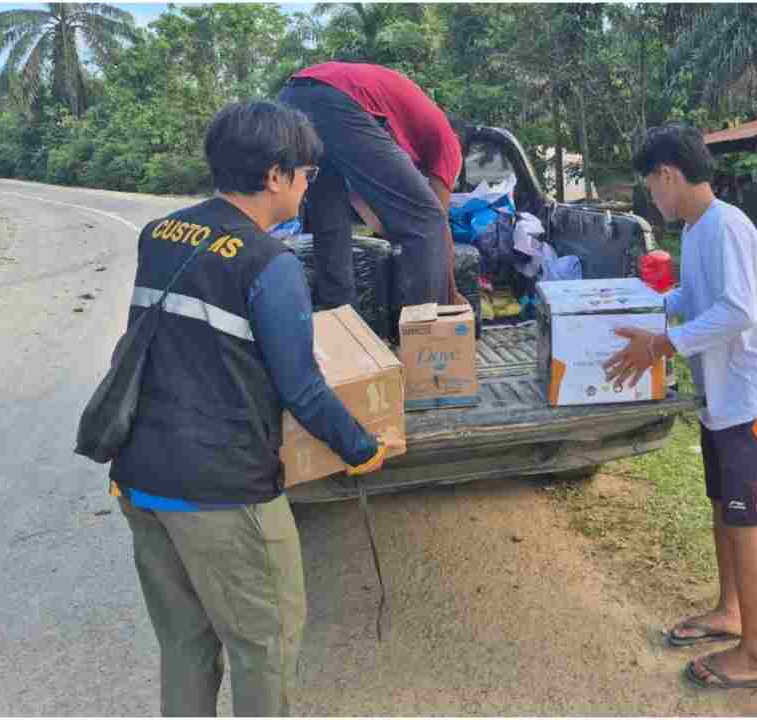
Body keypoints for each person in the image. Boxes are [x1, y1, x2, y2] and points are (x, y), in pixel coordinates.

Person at [110, 100, 399, 716]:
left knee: (186, 644)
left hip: (141, 479)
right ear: (275, 176)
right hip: (223, 493)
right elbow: (303, 388)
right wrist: (363, 448)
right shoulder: (271, 264)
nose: (305, 188)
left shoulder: (160, 234)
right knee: (263, 646)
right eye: (305, 175)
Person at [604, 124, 757, 690]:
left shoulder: (727, 228)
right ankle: (731, 611)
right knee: (725, 508)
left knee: (747, 521)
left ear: (668, 174)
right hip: (724, 397)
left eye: (651, 187)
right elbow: (695, 298)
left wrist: (662, 343)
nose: (653, 199)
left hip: (753, 400)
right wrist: (643, 306)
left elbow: (737, 310)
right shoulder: (699, 230)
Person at [277, 61, 464, 312]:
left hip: (292, 96)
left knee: (330, 223)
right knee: (426, 221)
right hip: (336, 97)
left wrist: (400, 230)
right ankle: (425, 335)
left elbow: (364, 205)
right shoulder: (449, 146)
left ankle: (342, 325)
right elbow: (435, 223)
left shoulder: (399, 126)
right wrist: (451, 292)